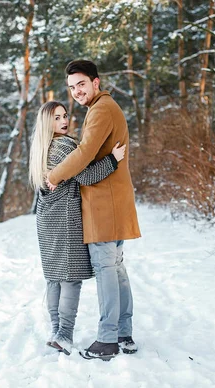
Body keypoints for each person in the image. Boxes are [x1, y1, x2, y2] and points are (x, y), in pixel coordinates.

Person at [46, 60, 141, 361]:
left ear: (96, 82)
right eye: (72, 87)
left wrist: (54, 174)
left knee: (106, 270)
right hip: (111, 200)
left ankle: (108, 338)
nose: (76, 91)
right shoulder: (102, 108)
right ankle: (123, 332)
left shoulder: (100, 109)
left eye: (81, 84)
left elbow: (85, 154)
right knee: (116, 268)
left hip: (104, 202)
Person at [29, 101, 126, 356]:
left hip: (46, 219)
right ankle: (64, 335)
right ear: (46, 123)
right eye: (57, 118)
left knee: (53, 278)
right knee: (70, 279)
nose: (64, 121)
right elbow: (86, 176)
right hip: (66, 219)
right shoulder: (64, 146)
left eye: (65, 115)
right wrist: (112, 161)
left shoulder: (41, 148)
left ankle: (56, 331)